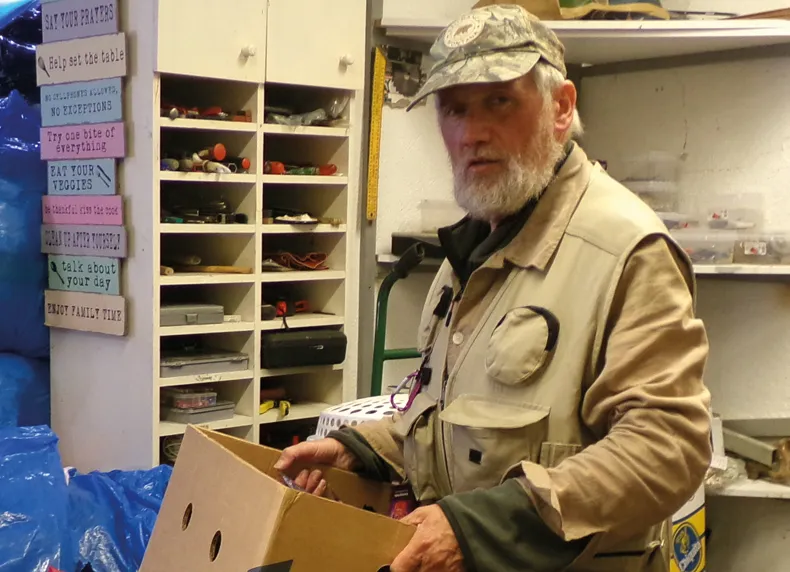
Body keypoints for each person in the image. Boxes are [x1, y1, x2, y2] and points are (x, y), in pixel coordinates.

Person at [275, 5, 712, 571]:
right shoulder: (470, 253)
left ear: (561, 107)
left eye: (499, 102)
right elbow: (450, 423)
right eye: (454, 109)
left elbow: (667, 450)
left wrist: (475, 529)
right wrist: (362, 450)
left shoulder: (626, 250)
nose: (472, 133)